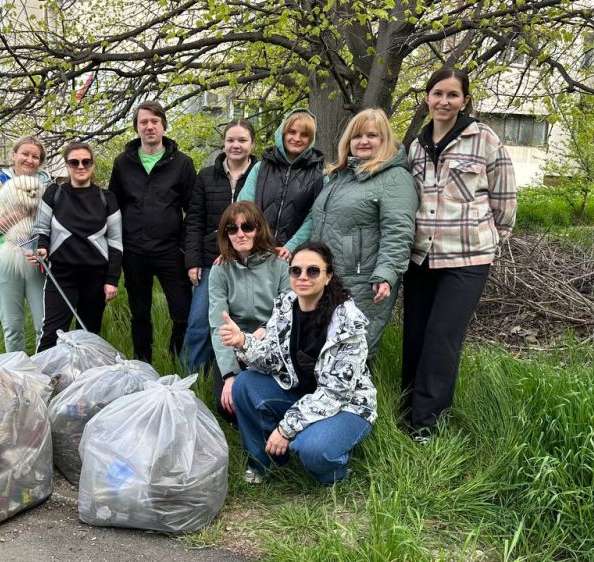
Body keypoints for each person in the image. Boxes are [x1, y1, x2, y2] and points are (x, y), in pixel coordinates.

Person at [401, 68, 517, 442]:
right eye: (437, 93)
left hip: (467, 259)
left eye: (452, 95)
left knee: (442, 336)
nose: (444, 101)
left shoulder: (483, 138)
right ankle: (407, 408)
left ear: (465, 100)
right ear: (427, 97)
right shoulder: (416, 145)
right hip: (422, 257)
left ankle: (427, 424)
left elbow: (504, 197)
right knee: (416, 334)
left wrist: (493, 240)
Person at [220, 241, 376, 484]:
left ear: (328, 276)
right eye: (296, 270)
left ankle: (336, 471)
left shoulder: (348, 323)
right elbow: (270, 360)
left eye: (313, 271)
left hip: (347, 406)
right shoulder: (285, 307)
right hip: (301, 394)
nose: (303, 277)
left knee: (312, 450)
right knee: (244, 384)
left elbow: (335, 393)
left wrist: (285, 429)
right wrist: (243, 341)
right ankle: (264, 464)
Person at [310, 108, 418, 359]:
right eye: (357, 136)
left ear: (385, 140)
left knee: (355, 349)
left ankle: (359, 399)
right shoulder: (342, 176)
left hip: (363, 278)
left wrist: (386, 273)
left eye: (372, 135)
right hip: (329, 276)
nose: (364, 141)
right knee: (326, 348)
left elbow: (399, 230)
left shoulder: (394, 178)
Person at [109, 100, 197, 362]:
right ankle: (142, 362)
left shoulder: (182, 163)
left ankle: (175, 360)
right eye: (143, 122)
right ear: (136, 128)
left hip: (170, 250)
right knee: (140, 313)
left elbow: (193, 209)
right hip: (134, 251)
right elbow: (113, 207)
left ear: (163, 125)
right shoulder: (123, 163)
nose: (149, 127)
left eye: (154, 121)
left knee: (182, 312)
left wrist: (184, 245)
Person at [182, 119, 258, 373]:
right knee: (200, 320)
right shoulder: (206, 176)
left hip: (249, 262)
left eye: (242, 140)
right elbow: (194, 220)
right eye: (230, 140)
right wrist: (192, 260)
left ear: (252, 143)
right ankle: (191, 375)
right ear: (224, 144)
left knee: (244, 321)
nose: (235, 145)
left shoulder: (262, 174)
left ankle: (239, 373)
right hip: (210, 260)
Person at [29, 143, 122, 351]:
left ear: (93, 164)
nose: (81, 166)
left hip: (96, 277)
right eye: (74, 162)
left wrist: (112, 279)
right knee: (51, 335)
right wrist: (42, 247)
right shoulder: (54, 193)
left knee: (89, 336)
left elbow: (116, 241)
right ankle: (42, 380)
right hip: (60, 276)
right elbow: (41, 229)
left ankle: (84, 381)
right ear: (67, 165)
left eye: (86, 161)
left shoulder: (107, 198)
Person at [207, 202, 289, 423]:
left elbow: (287, 313)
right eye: (232, 229)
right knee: (228, 406)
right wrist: (230, 376)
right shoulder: (220, 269)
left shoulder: (279, 264)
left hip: (271, 341)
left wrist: (263, 331)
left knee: (269, 400)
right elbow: (218, 324)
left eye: (247, 227)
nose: (240, 234)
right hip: (234, 343)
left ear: (258, 229)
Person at [0, 136, 51, 352]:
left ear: (41, 161)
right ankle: (16, 374)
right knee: (12, 327)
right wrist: (22, 212)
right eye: (25, 154)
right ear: (14, 155)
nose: (29, 160)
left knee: (45, 325)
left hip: (37, 260)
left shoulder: (49, 187)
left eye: (35, 156)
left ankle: (46, 372)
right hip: (4, 260)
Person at [236, 108, 324, 259]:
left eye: (304, 134)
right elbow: (243, 207)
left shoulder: (320, 175)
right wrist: (258, 243)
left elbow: (314, 218)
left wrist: (290, 247)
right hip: (256, 252)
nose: (297, 138)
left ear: (311, 139)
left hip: (295, 257)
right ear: (283, 133)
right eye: (292, 132)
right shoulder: (261, 168)